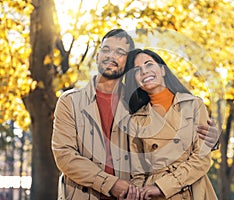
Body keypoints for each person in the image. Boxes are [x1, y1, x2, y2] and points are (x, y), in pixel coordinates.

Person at [51, 29, 219, 200]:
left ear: (126, 64)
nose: (111, 56)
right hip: (81, 195)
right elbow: (64, 155)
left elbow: (167, 142)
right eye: (106, 49)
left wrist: (212, 140)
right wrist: (111, 184)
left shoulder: (136, 104)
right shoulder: (70, 101)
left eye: (120, 52)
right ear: (97, 56)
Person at [124, 49, 218, 200]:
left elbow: (202, 158)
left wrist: (162, 187)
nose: (144, 71)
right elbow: (138, 173)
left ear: (162, 70)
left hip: (193, 188)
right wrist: (139, 193)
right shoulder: (136, 120)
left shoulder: (194, 105)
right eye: (137, 70)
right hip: (154, 194)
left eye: (149, 64)